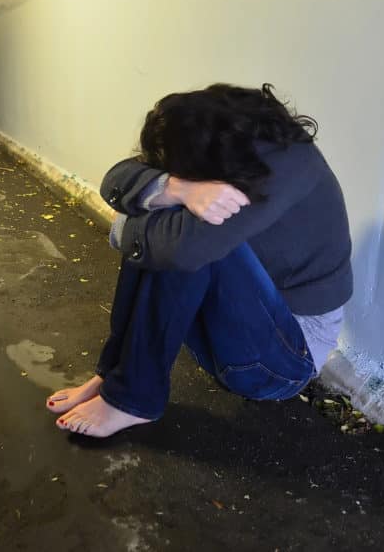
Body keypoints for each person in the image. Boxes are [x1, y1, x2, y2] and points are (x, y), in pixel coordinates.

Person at [46, 84, 352, 437]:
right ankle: (115, 375)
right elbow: (119, 177)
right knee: (172, 225)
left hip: (282, 363)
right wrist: (178, 189)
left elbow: (181, 250)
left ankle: (133, 399)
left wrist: (138, 216)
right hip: (245, 328)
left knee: (183, 243)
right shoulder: (226, 140)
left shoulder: (283, 167)